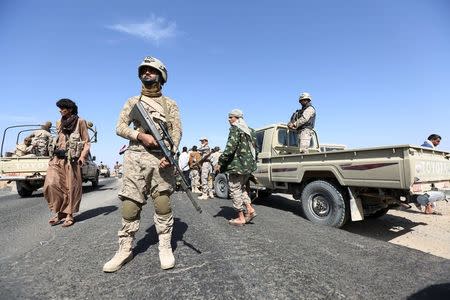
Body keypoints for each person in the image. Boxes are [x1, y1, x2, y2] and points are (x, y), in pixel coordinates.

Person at [103, 56, 182, 273]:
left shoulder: (171, 104)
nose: (146, 73)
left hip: (160, 160)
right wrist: (140, 135)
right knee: (130, 205)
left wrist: (170, 153)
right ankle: (125, 249)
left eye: (151, 70)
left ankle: (165, 246)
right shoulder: (132, 102)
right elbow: (120, 127)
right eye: (143, 71)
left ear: (161, 75)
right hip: (136, 158)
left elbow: (176, 132)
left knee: (163, 203)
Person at [43, 99, 91, 227]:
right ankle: (59, 211)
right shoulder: (59, 122)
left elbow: (86, 142)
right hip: (56, 159)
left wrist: (82, 157)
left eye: (62, 108)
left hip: (71, 160)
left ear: (69, 109)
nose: (60, 110)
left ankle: (68, 214)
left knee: (71, 187)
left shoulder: (80, 122)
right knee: (51, 184)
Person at [216, 109, 257, 226]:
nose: (229, 120)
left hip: (237, 166)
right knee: (242, 188)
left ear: (237, 118)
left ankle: (240, 217)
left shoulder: (235, 128)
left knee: (234, 190)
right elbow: (256, 149)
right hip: (248, 166)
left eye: (231, 117)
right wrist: (252, 163)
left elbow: (230, 148)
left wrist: (220, 162)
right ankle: (250, 209)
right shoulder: (251, 131)